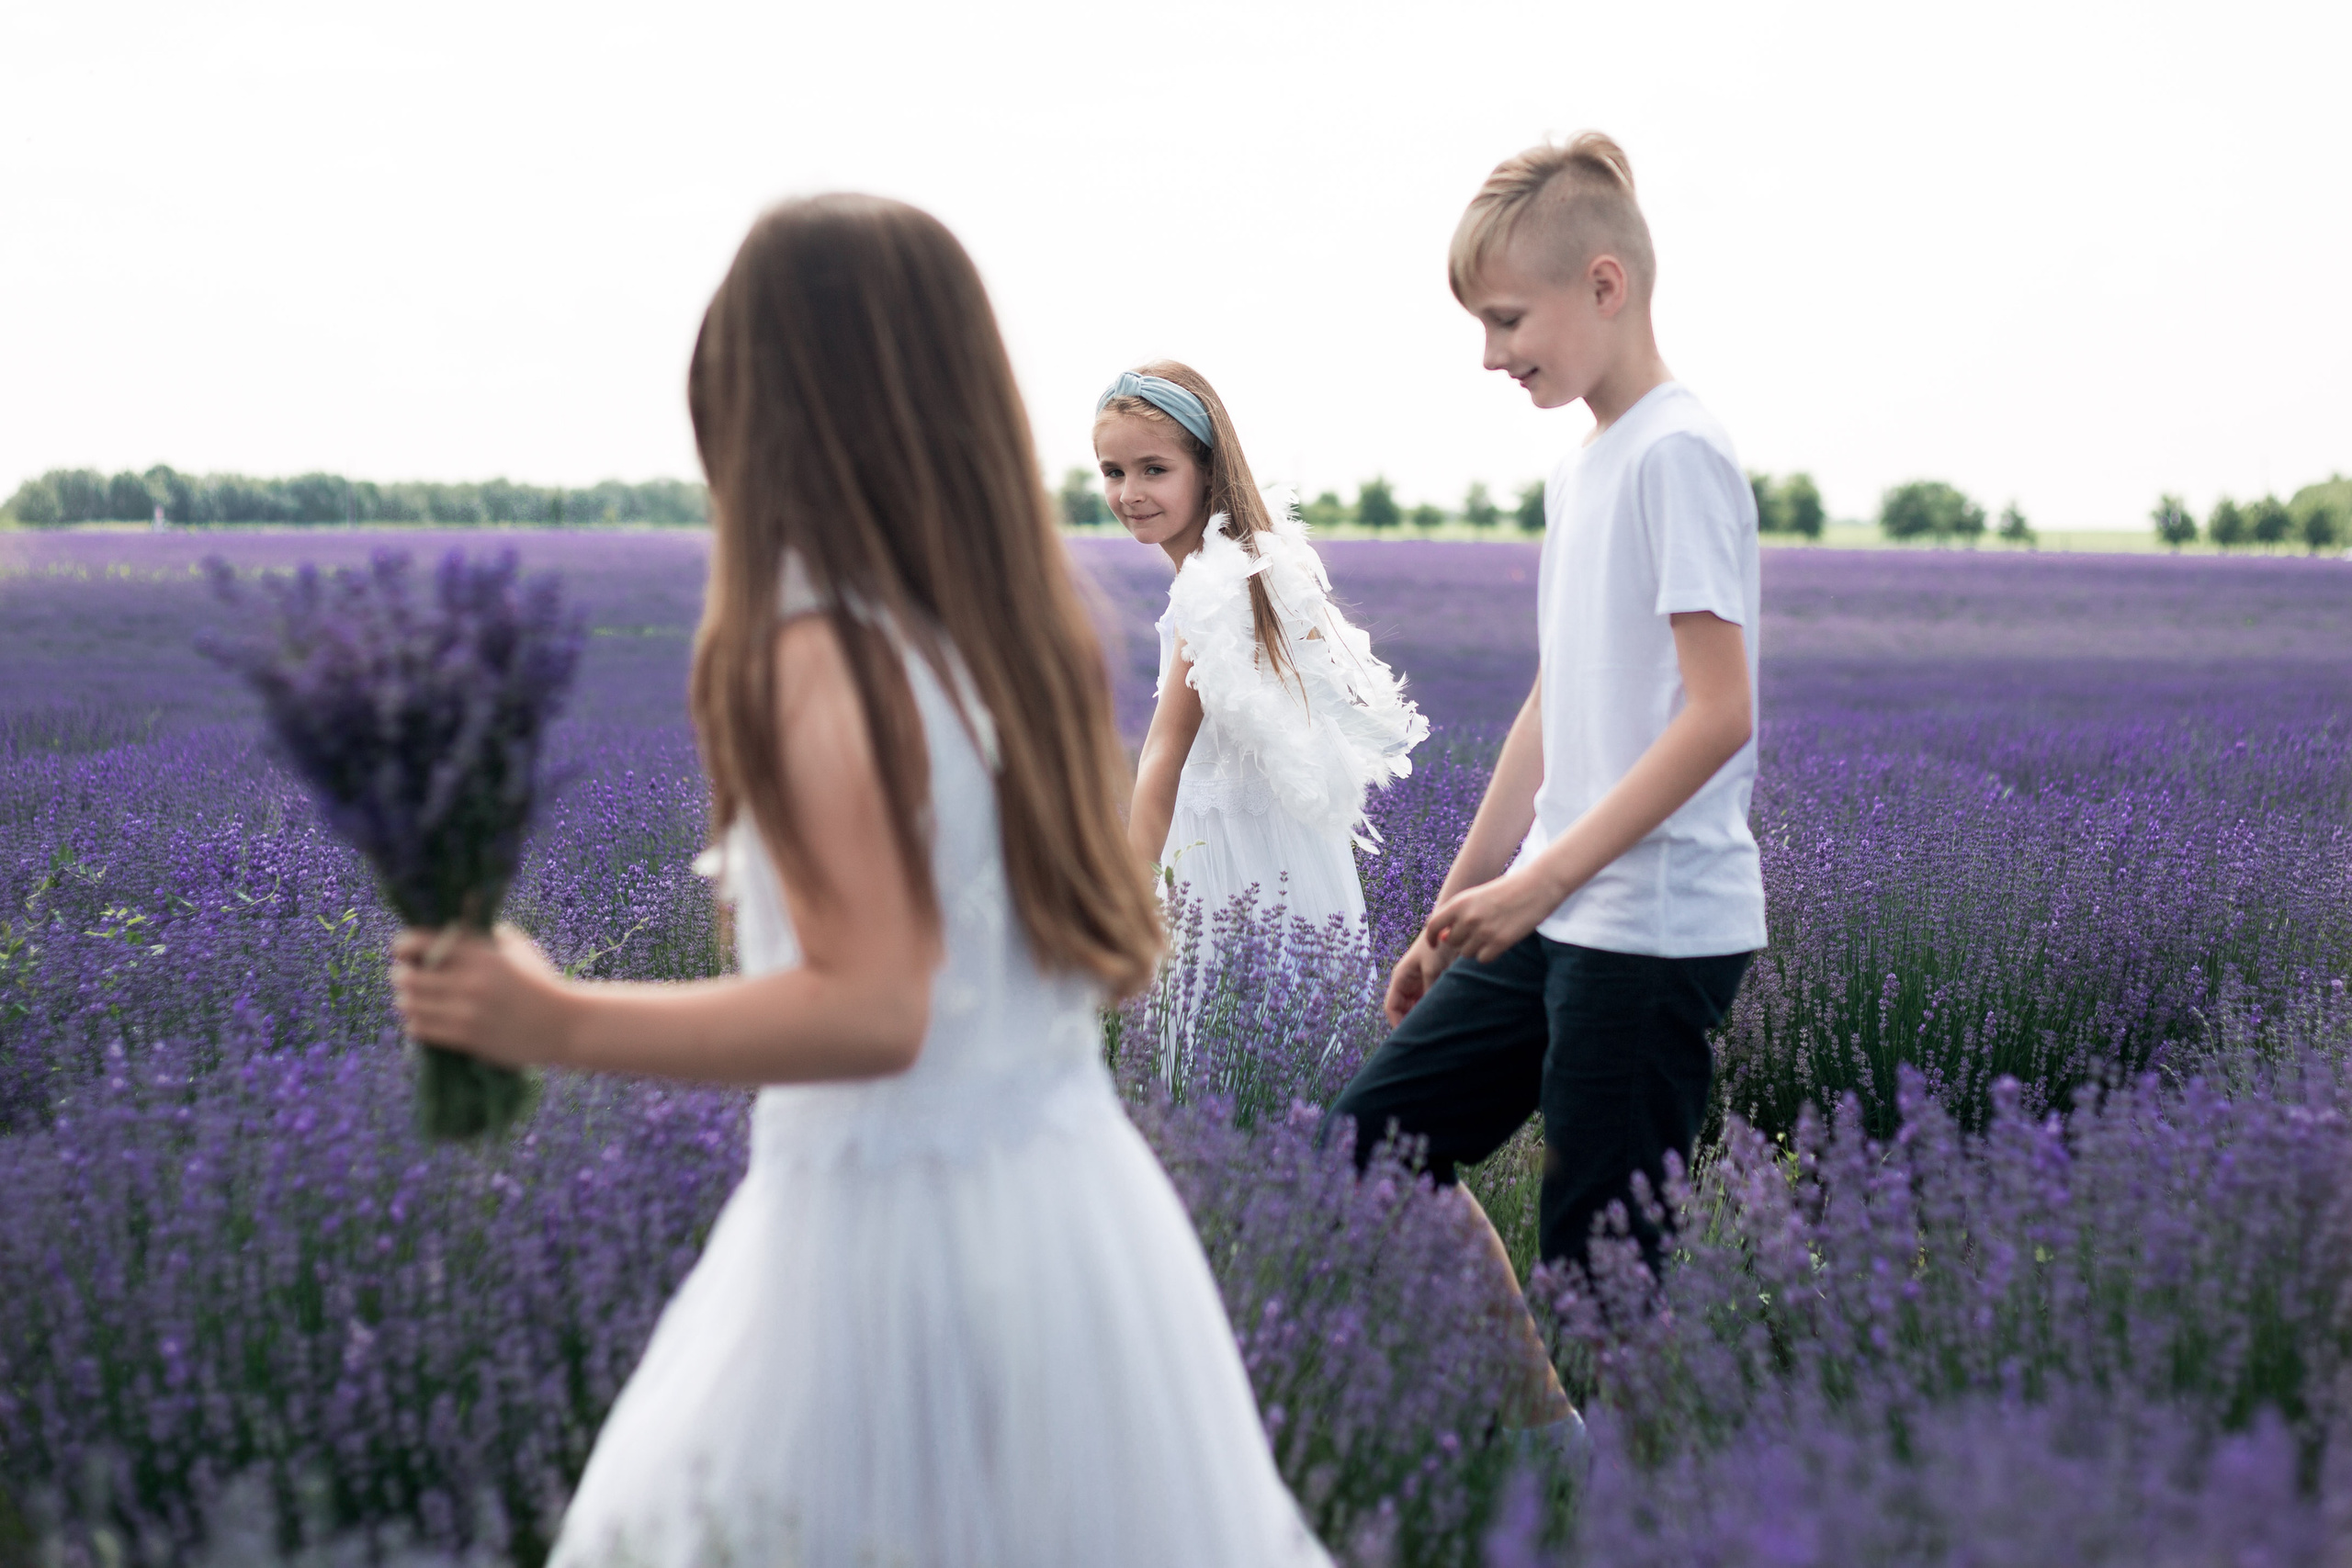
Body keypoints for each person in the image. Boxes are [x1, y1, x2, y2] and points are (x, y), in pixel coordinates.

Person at [390, 196, 1329, 1568]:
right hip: (1073, 1221)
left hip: (890, 1252)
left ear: (765, 408)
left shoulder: (823, 652)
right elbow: (1066, 954)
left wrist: (551, 1018)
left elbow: (878, 1009)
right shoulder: (1012, 636)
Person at [1329, 133, 1764, 1287]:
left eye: (1508, 320)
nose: (1489, 354)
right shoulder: (1584, 466)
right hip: (1558, 909)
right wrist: (1455, 904)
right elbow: (1552, 701)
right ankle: (1540, 1437)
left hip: (1652, 931)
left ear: (1604, 286)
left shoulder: (1678, 452)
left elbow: (1720, 715)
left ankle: (1626, 1466)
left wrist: (1540, 882)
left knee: (1601, 1274)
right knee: (1362, 1144)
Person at [1099, 361, 1427, 942]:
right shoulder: (1258, 571)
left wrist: (1126, 906)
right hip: (1279, 862)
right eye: (1113, 471)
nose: (1129, 493)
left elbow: (1160, 761)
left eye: (1154, 469)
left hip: (1227, 874)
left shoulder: (1212, 594)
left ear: (1206, 468)